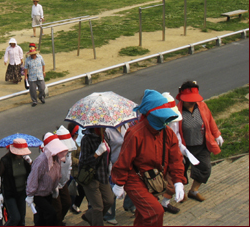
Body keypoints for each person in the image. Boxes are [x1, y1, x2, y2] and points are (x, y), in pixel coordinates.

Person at [111, 89, 186, 226]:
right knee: (155, 212)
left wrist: (178, 181)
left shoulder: (167, 133)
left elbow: (176, 159)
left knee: (144, 214)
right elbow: (124, 160)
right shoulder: (135, 133)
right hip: (134, 179)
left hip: (153, 178)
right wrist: (119, 183)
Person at [176, 81, 223, 202]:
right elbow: (174, 132)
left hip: (202, 145)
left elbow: (210, 120)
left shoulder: (202, 106)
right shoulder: (176, 111)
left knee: (205, 168)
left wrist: (216, 134)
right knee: (179, 172)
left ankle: (194, 191)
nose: (192, 102)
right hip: (185, 149)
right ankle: (180, 192)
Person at [26, 133, 68, 226]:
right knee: (51, 213)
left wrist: (55, 188)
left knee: (41, 218)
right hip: (39, 194)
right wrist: (30, 194)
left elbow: (57, 174)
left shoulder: (57, 159)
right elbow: (33, 177)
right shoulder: (41, 161)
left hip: (48, 193)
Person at [78, 126, 114, 226]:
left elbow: (108, 155)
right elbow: (84, 161)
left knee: (109, 200)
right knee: (98, 207)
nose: (105, 129)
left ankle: (89, 216)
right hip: (90, 176)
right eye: (102, 128)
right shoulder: (86, 140)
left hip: (103, 174)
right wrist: (96, 154)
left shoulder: (104, 136)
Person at [0, 138, 32, 226]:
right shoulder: (5, 161)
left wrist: (31, 164)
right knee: (15, 218)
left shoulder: (24, 161)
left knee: (22, 219)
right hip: (10, 194)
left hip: (21, 193)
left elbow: (31, 175)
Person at [54, 126, 75, 226]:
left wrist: (66, 179)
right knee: (57, 208)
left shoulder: (69, 152)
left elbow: (68, 165)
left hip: (63, 182)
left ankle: (58, 221)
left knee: (67, 203)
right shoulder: (53, 153)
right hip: (53, 185)